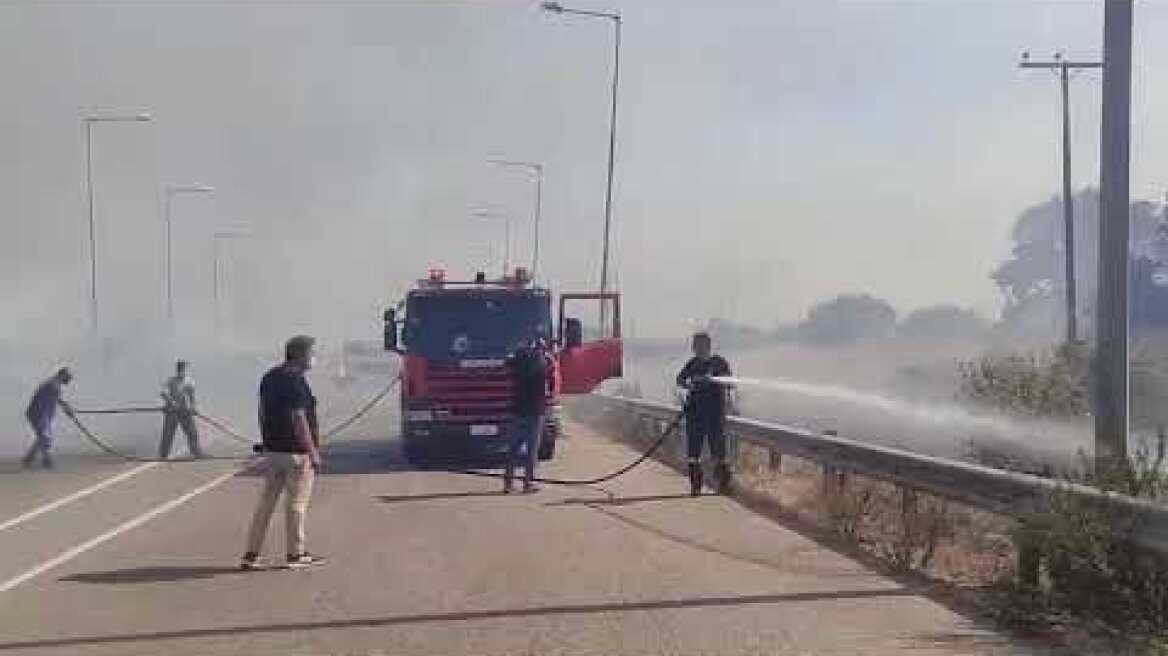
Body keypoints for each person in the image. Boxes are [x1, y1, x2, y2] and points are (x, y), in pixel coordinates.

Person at [241, 335, 325, 570]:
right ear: (300, 355)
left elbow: (261, 411)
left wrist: (267, 441)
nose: (314, 358)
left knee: (266, 504)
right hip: (296, 453)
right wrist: (312, 452)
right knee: (296, 504)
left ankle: (251, 553)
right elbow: (299, 418)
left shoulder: (270, 377)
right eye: (312, 354)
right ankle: (296, 554)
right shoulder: (295, 381)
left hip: (273, 451)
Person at [676, 332, 734, 496]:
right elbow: (680, 379)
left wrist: (715, 378)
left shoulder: (719, 363)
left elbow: (730, 382)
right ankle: (696, 485)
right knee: (693, 454)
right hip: (695, 415)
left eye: (700, 345)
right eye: (695, 346)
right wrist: (690, 383)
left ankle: (724, 485)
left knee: (719, 452)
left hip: (715, 415)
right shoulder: (692, 364)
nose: (696, 348)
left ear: (708, 346)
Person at [504, 338, 550, 494]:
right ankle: (527, 483)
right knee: (532, 450)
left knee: (513, 449)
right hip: (535, 412)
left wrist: (518, 353)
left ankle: (508, 483)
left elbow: (507, 363)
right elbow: (549, 377)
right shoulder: (542, 362)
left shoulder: (518, 361)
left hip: (518, 410)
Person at [22, 367, 74, 469]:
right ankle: (46, 460)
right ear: (62, 375)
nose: (69, 380)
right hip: (39, 415)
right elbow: (53, 399)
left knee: (42, 437)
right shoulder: (53, 385)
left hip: (40, 415)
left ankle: (29, 458)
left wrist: (66, 407)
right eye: (68, 377)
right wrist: (67, 409)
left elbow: (56, 399)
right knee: (45, 438)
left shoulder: (53, 384)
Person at [158, 360, 204, 460]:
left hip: (184, 410)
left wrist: (193, 407)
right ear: (177, 370)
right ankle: (163, 455)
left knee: (192, 432)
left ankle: (196, 452)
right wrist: (171, 402)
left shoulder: (189, 381)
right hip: (172, 411)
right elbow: (163, 393)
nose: (182, 372)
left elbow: (192, 396)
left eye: (184, 370)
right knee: (168, 434)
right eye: (180, 370)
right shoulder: (171, 381)